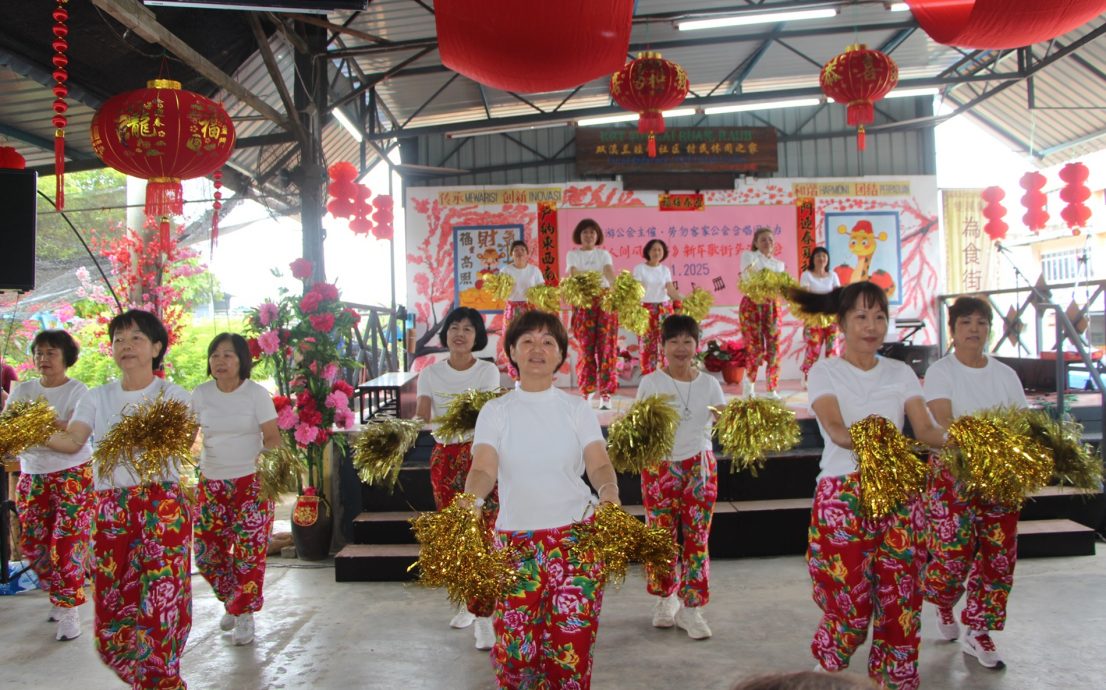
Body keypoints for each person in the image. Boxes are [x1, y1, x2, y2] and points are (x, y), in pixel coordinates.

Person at [791, 282, 946, 690]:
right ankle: (826, 670)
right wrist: (878, 441)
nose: (872, 326)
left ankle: (894, 681)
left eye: (879, 316)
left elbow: (927, 428)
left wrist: (975, 440)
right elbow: (838, 430)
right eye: (861, 317)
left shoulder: (901, 372)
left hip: (898, 497)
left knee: (901, 602)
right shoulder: (825, 370)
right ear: (842, 323)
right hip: (842, 496)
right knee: (850, 604)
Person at [465, 308, 621, 688]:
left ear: (561, 356)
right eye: (528, 341)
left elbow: (598, 463)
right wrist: (469, 502)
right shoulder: (496, 411)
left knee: (570, 657)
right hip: (515, 547)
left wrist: (610, 492)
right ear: (512, 353)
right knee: (517, 660)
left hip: (576, 541)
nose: (538, 348)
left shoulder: (576, 408)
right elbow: (484, 468)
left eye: (548, 341)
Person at [46, 309, 193, 689]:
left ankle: (162, 679)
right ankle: (145, 676)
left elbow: (183, 443)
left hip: (163, 505)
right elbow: (74, 440)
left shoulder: (173, 395)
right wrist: (27, 435)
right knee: (113, 608)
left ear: (156, 347)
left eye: (136, 339)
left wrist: (145, 436)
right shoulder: (96, 398)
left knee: (163, 599)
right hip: (112, 508)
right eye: (118, 340)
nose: (125, 347)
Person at [922, 297, 1027, 669]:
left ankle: (978, 630)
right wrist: (981, 446)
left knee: (999, 558)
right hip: (955, 472)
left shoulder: (1005, 374)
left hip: (999, 477)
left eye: (981, 322)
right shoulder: (941, 371)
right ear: (952, 330)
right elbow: (944, 419)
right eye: (965, 322)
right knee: (951, 556)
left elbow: (1022, 425)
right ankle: (943, 600)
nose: (974, 329)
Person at [415, 306, 501, 649]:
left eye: (468, 328)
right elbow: (422, 418)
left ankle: (485, 617)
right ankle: (472, 604)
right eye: (454, 327)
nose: (460, 333)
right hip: (445, 460)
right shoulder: (430, 374)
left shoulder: (488, 372)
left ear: (477, 336)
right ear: (445, 334)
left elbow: (482, 418)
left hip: (480, 456)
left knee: (483, 533)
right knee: (458, 536)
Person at [635, 314, 724, 640]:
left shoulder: (710, 384)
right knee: (661, 538)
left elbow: (721, 421)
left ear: (696, 346)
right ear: (663, 346)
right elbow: (639, 429)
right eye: (674, 341)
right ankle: (665, 598)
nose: (681, 348)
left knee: (697, 539)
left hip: (700, 468)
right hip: (659, 468)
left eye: (687, 341)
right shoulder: (651, 382)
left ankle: (692, 608)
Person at [191, 333, 281, 647]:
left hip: (252, 484)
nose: (220, 361)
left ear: (242, 360)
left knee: (248, 555)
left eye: (228, 355)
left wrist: (268, 464)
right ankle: (233, 597)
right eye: (215, 355)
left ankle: (244, 614)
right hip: (211, 485)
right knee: (205, 553)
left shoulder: (256, 394)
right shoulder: (200, 394)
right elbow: (186, 438)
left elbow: (272, 437)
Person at [10, 330, 93, 641]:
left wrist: (33, 425)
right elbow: (11, 429)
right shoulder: (24, 390)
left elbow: (74, 437)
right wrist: (52, 426)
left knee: (67, 543)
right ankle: (60, 590)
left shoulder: (79, 391)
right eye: (39, 353)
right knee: (33, 543)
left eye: (51, 353)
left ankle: (69, 609)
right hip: (32, 475)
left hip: (72, 475)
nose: (43, 359)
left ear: (65, 358)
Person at [566, 218, 619, 410]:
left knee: (606, 347)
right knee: (585, 348)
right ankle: (587, 391)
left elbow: (608, 271)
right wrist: (588, 283)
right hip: (584, 302)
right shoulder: (572, 255)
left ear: (597, 236)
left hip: (604, 302)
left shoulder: (603, 254)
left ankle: (606, 393)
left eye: (592, 232)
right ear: (579, 235)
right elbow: (573, 273)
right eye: (585, 232)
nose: (589, 236)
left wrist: (617, 288)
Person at [739, 227, 787, 398]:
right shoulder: (749, 256)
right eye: (764, 239)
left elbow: (780, 288)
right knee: (754, 347)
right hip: (752, 304)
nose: (768, 243)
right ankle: (749, 385)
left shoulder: (779, 264)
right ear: (756, 242)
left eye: (771, 240)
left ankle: (771, 388)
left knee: (774, 347)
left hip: (772, 306)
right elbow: (748, 278)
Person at [632, 239, 682, 376]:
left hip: (664, 310)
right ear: (648, 251)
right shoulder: (639, 269)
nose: (656, 252)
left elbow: (670, 288)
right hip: (646, 310)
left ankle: (666, 376)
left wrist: (679, 300)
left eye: (660, 250)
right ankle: (649, 377)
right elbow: (638, 289)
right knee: (647, 345)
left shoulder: (665, 269)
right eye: (654, 249)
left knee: (666, 343)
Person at [500, 240, 545, 380]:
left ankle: (531, 374)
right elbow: (500, 293)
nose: (519, 253)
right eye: (516, 250)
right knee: (512, 341)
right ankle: (516, 378)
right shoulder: (505, 271)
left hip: (529, 309)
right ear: (511, 254)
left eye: (522, 250)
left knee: (530, 340)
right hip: (511, 308)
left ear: (527, 254)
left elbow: (542, 291)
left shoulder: (534, 270)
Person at [799, 247, 841, 381]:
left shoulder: (833, 275)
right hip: (814, 317)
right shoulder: (807, 275)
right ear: (813, 259)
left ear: (827, 259)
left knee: (832, 347)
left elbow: (838, 295)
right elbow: (805, 296)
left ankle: (832, 378)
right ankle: (807, 377)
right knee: (814, 348)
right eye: (818, 256)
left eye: (824, 256)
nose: (821, 259)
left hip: (831, 317)